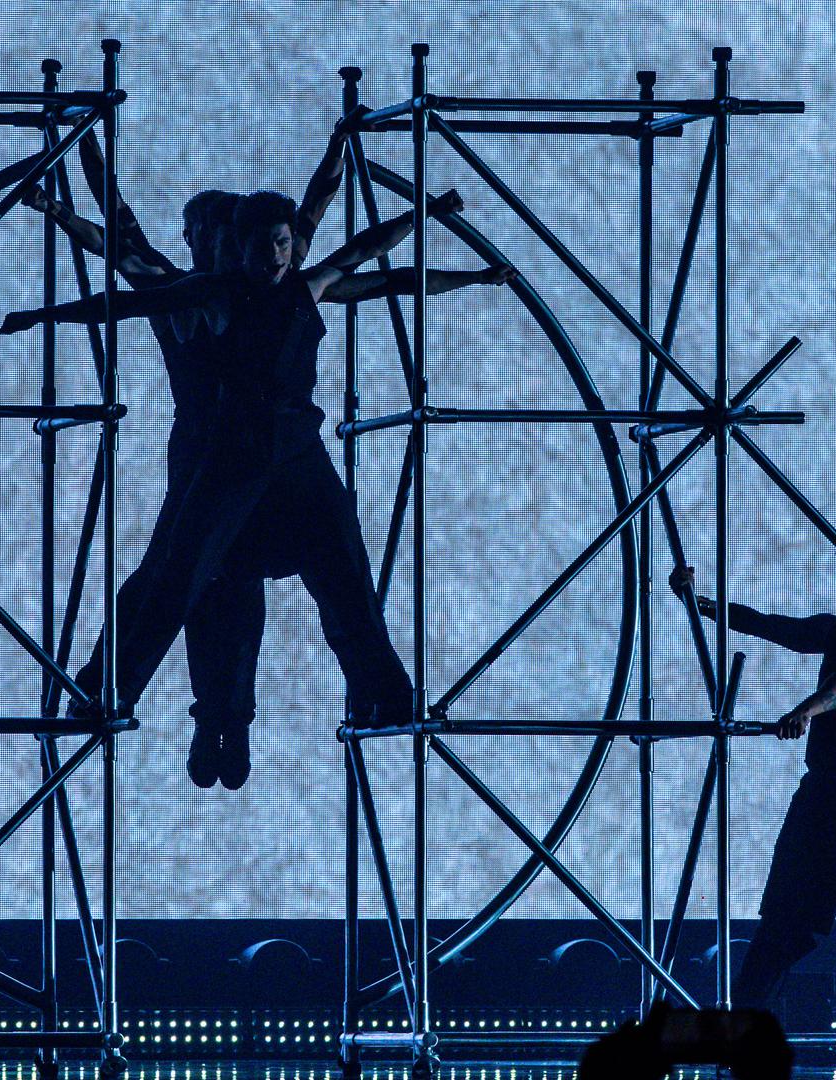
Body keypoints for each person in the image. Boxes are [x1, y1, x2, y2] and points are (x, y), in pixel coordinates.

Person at [29, 128, 505, 788]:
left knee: (227, 585)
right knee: (188, 587)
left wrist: (371, 171)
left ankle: (231, 717)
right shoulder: (187, 286)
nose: (211, 242)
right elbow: (118, 235)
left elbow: (342, 232)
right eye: (202, 232)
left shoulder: (269, 279)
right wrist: (76, 170)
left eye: (219, 232)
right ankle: (197, 715)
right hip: (211, 458)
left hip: (267, 457)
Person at [671, 531, 836, 1080]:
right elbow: (772, 626)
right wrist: (701, 603)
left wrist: (807, 711)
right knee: (784, 921)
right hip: (823, 795)